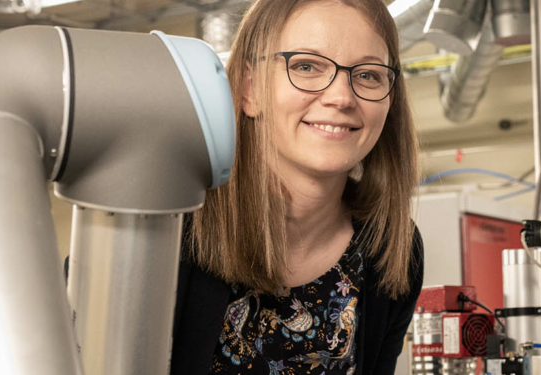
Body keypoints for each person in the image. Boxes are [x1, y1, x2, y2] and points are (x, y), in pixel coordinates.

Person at [169, 0, 424, 374]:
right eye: (306, 66)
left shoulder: (389, 247)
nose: (341, 97)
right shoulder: (170, 225)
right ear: (248, 89)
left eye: (368, 74)